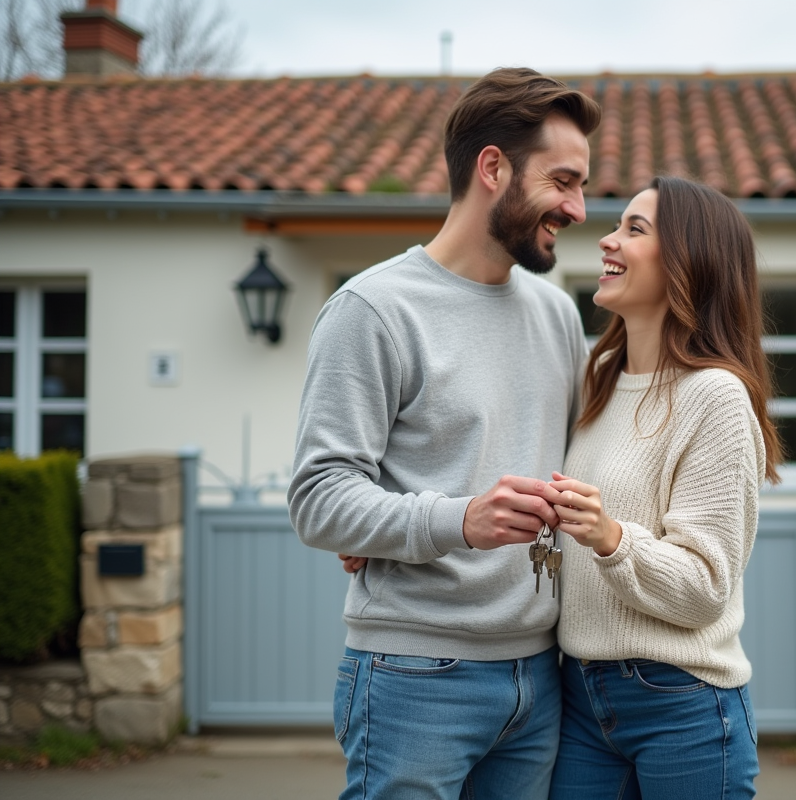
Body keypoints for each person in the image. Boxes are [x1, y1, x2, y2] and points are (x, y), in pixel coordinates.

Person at [287, 67, 601, 800]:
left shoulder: (556, 315)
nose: (580, 209)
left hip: (540, 677)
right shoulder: (373, 310)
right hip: (413, 676)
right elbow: (318, 497)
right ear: (493, 167)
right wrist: (456, 519)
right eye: (562, 181)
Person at [537, 176, 783, 799]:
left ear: (688, 261)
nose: (607, 241)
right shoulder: (599, 379)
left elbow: (705, 587)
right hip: (579, 698)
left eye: (633, 230)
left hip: (682, 705)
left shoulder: (716, 398)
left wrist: (611, 537)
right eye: (617, 226)